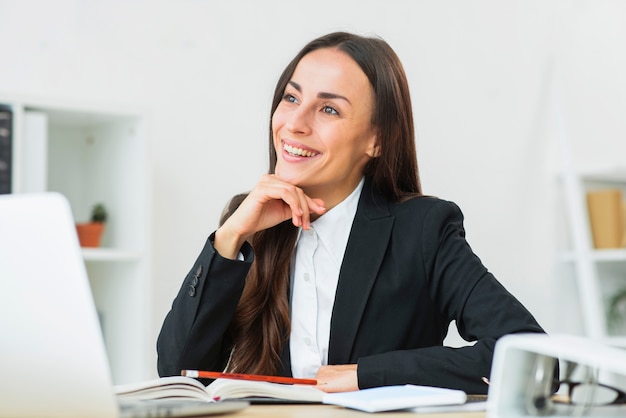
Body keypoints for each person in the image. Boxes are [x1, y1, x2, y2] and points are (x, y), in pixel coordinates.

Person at [157, 31, 546, 395]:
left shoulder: (423, 230)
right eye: (291, 98)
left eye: (328, 109)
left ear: (376, 139)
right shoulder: (246, 225)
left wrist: (368, 375)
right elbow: (179, 375)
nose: (294, 123)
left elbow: (533, 358)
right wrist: (229, 239)